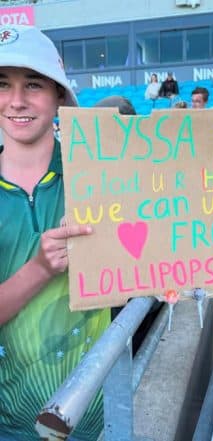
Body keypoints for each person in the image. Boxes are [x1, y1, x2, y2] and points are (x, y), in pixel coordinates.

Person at [0, 25, 109, 440]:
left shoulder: (101, 176)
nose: (16, 101)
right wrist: (41, 268)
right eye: (2, 85)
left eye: (33, 84)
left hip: (99, 419)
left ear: (59, 95)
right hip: (9, 424)